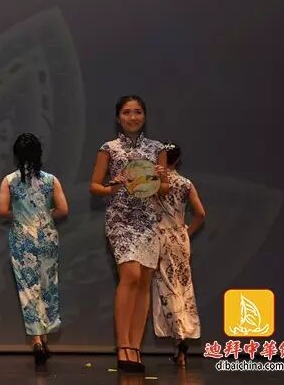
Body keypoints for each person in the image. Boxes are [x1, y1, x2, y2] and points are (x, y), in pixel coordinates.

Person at [89, 95, 168, 373]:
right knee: (131, 275)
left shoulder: (157, 148)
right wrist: (117, 184)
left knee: (144, 281)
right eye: (126, 112)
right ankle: (122, 344)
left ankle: (135, 346)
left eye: (137, 112)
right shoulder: (109, 148)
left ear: (144, 115)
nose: (132, 117)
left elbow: (165, 189)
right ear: (118, 117)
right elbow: (95, 186)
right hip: (121, 219)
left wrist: (157, 178)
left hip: (148, 219)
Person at [0, 133, 69, 364]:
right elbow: (63, 209)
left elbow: (2, 211)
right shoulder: (51, 180)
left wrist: (20, 216)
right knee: (48, 285)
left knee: (28, 288)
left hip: (22, 238)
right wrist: (46, 216)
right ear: (39, 153)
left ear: (16, 155)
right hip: (47, 236)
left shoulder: (9, 181)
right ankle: (45, 337)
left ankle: (37, 339)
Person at [151, 141, 205, 366]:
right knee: (183, 287)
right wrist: (185, 233)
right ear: (178, 160)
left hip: (159, 237)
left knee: (166, 288)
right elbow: (200, 214)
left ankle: (179, 337)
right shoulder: (185, 183)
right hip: (180, 239)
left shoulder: (153, 183)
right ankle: (180, 340)